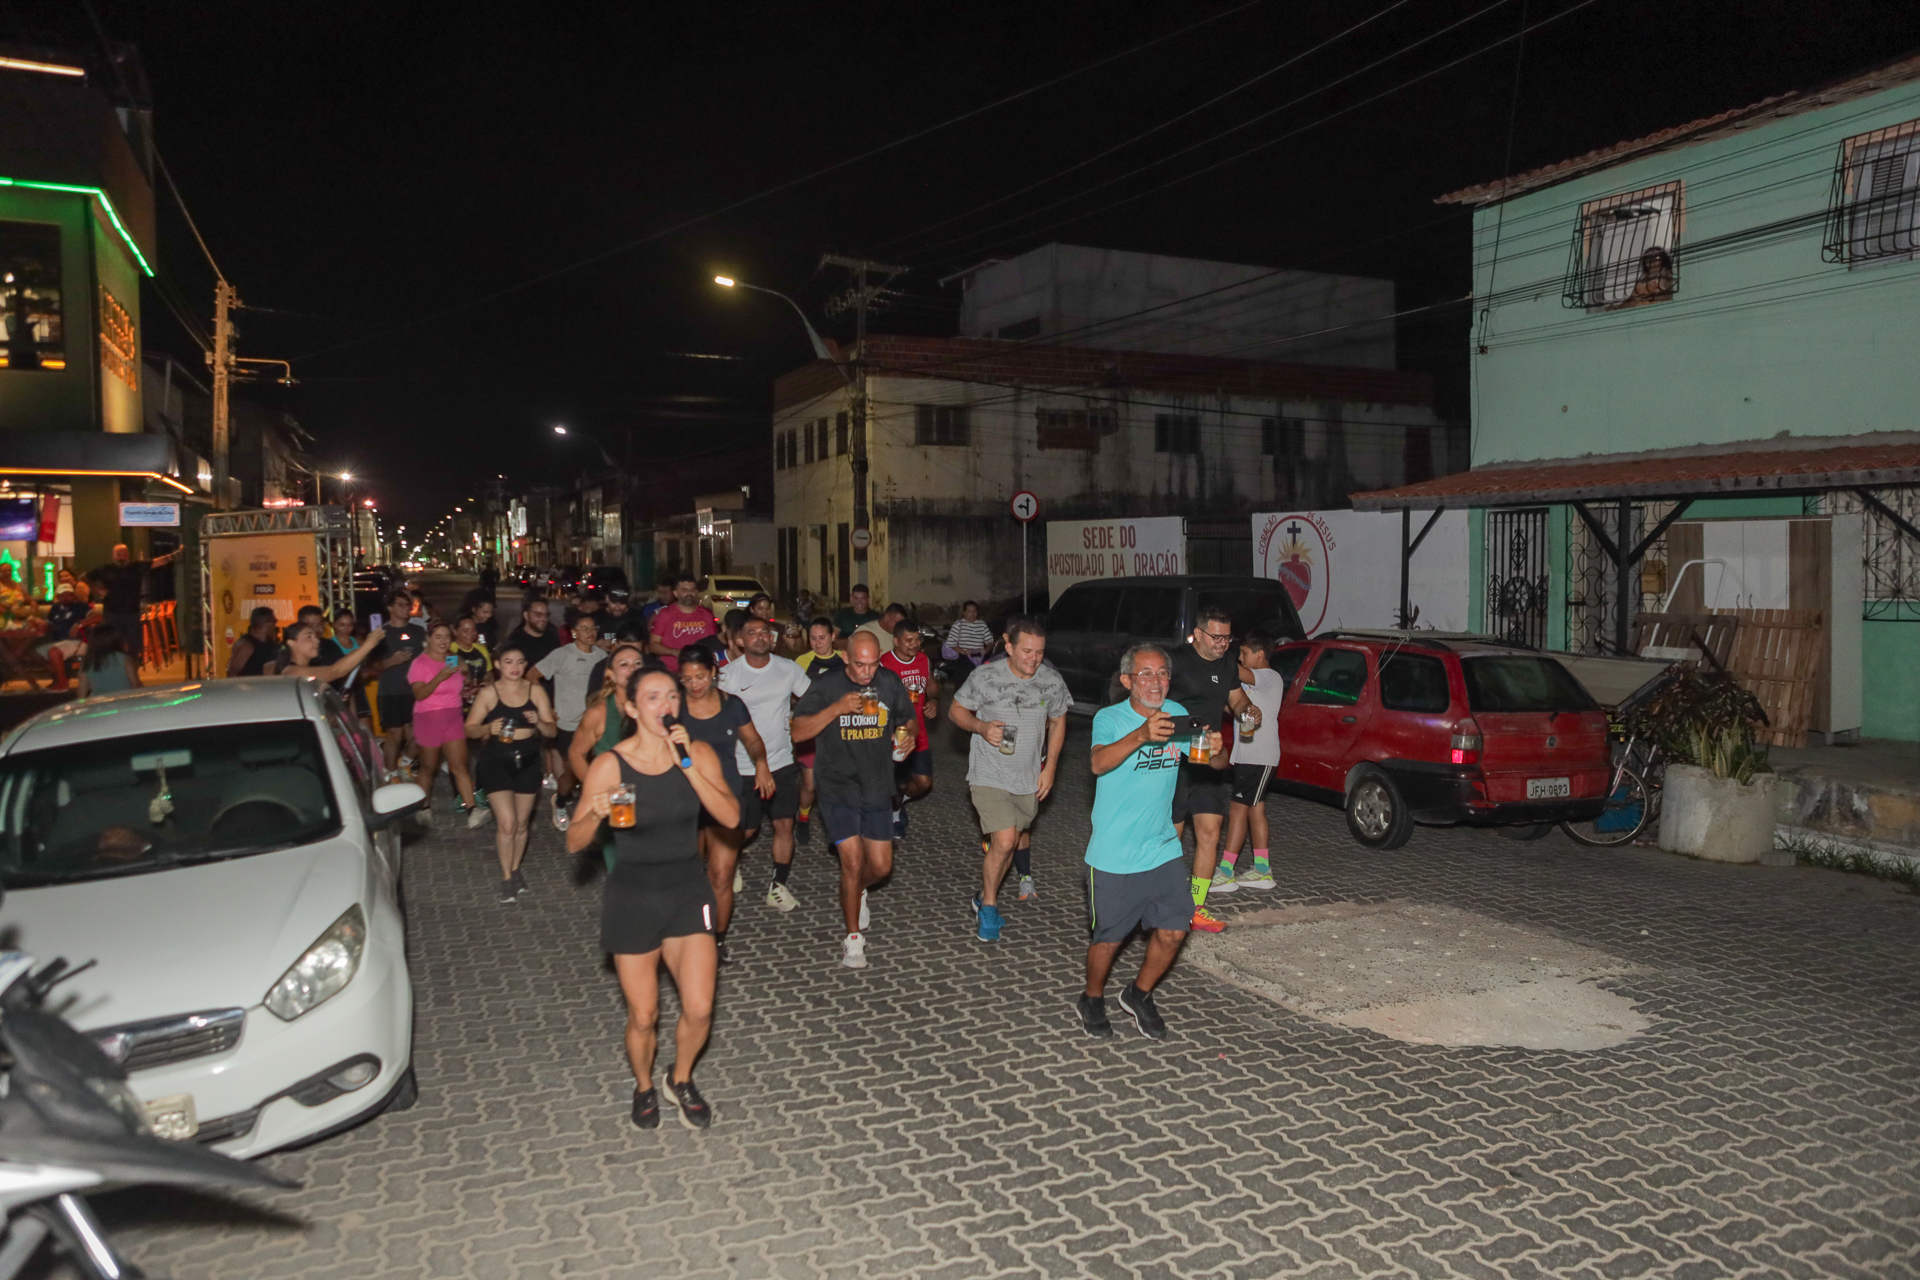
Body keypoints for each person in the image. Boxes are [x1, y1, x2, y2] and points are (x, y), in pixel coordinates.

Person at [565, 666, 738, 1131]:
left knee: (700, 1008)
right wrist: (594, 815)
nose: (666, 705)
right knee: (644, 1016)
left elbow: (730, 817)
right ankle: (643, 1085)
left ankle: (679, 1079)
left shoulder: (696, 752)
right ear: (631, 708)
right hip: (633, 895)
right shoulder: (610, 765)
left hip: (687, 891)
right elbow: (574, 842)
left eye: (672, 696)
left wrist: (686, 764)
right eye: (654, 697)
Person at [1080, 644, 1196, 1040]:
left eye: (1162, 673)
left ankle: (1139, 994)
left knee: (1175, 930)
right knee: (1109, 940)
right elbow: (1098, 762)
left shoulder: (1178, 714)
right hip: (1114, 853)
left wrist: (1215, 752)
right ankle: (1092, 998)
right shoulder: (1109, 719)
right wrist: (1142, 734)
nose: (1156, 682)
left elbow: (1210, 760)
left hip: (1162, 846)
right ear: (1128, 680)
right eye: (1146, 674)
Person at [789, 631, 914, 969]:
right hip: (837, 787)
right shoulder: (827, 685)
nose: (866, 672)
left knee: (881, 867)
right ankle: (853, 938)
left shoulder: (888, 682)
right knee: (852, 861)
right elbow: (798, 731)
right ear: (845, 657)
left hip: (876, 786)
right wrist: (836, 709)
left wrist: (909, 738)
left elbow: (907, 718)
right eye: (859, 664)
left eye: (873, 664)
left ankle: (855, 891)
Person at [949, 616, 1070, 942]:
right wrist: (981, 727)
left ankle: (981, 895)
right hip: (989, 773)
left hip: (1028, 776)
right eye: (1027, 651)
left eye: (1039, 652)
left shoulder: (1051, 680)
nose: (1034, 658)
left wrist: (1051, 768)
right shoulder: (986, 676)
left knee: (1010, 844)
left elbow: (1059, 721)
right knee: (1003, 842)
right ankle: (988, 908)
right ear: (1009, 647)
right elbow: (956, 711)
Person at [675, 646, 773, 965]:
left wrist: (761, 763)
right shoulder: (673, 707)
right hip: (685, 800)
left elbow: (754, 740)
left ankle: (716, 942)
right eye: (687, 679)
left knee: (721, 876)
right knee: (687, 875)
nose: (695, 684)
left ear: (714, 671)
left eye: (700, 676)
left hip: (726, 799)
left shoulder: (732, 706)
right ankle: (687, 936)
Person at [1168, 606, 1259, 934]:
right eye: (1216, 637)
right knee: (1171, 839)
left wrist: (1248, 711)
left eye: (1227, 637)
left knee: (1209, 833)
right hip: (1174, 761)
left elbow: (1236, 701)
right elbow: (1152, 706)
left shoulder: (1227, 665)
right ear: (1199, 633)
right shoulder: (1175, 661)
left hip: (1209, 760)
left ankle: (1196, 907)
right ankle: (1168, 901)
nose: (1223, 644)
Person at [719, 615, 811, 913]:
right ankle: (729, 864)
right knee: (745, 830)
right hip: (742, 766)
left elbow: (812, 699)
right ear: (739, 641)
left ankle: (778, 886)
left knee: (784, 823)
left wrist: (801, 721)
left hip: (782, 761)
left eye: (765, 632)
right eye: (752, 633)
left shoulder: (787, 669)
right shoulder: (728, 676)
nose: (760, 637)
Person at [468, 645, 559, 902]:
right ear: (498, 665)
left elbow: (552, 732)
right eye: (508, 662)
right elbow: (470, 729)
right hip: (496, 760)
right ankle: (507, 877)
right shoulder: (489, 693)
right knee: (506, 823)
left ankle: (516, 868)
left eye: (519, 662)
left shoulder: (535, 690)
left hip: (528, 759)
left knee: (521, 823)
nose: (515, 667)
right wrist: (488, 728)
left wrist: (539, 722)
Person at [1216, 631, 1285, 893]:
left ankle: (1225, 871)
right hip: (1251, 756)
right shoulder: (1252, 685)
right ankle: (1262, 869)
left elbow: (1235, 671)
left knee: (1238, 809)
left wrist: (1213, 653)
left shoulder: (1268, 677)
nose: (1241, 659)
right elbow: (1234, 705)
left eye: (1244, 654)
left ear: (1260, 654)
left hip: (1258, 756)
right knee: (1255, 809)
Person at [536, 612, 607, 831]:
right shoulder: (561, 655)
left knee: (597, 768)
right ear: (574, 632)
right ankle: (560, 801)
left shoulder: (602, 656)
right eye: (584, 629)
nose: (590, 633)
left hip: (596, 723)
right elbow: (531, 677)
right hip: (568, 724)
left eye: (593, 628)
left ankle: (595, 815)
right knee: (572, 771)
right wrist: (545, 708)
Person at [410, 620, 482, 826]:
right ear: (428, 639)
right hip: (428, 718)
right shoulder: (420, 664)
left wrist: (468, 691)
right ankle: (422, 807)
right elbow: (419, 694)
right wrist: (439, 677)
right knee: (428, 767)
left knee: (459, 765)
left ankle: (472, 810)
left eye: (446, 637)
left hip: (453, 717)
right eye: (438, 637)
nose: (443, 641)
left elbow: (457, 687)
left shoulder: (454, 660)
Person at [879, 617, 937, 839]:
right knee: (899, 781)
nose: (915, 644)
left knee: (923, 783)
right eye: (909, 640)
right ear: (896, 641)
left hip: (919, 732)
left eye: (917, 639)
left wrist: (934, 701)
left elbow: (931, 685)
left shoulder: (923, 660)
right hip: (895, 733)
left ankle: (899, 803)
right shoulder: (885, 664)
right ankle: (893, 815)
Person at [791, 618, 844, 849]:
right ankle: (803, 817)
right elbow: (793, 695)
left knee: (836, 783)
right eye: (813, 638)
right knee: (810, 785)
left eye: (822, 637)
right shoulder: (802, 661)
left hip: (839, 730)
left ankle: (838, 829)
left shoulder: (845, 658)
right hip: (812, 730)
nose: (817, 642)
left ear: (832, 637)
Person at [85, 542, 182, 667]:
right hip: (112, 612)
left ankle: (133, 669)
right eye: (118, 554)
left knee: (135, 644)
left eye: (124, 554)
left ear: (128, 555)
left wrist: (176, 554)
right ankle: (116, 668)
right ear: (113, 556)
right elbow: (86, 577)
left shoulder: (136, 566)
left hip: (132, 612)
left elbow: (158, 562)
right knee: (113, 642)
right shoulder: (105, 569)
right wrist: (98, 590)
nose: (121, 556)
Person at [278, 618, 395, 685]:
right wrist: (369, 644)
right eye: (309, 637)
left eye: (316, 637)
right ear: (291, 643)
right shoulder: (292, 672)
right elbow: (336, 671)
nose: (317, 641)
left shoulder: (310, 667)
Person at [647, 574, 716, 672]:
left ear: (696, 592)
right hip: (672, 672)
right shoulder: (665, 615)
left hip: (699, 672)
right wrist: (675, 652)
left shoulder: (706, 615)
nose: (689, 593)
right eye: (684, 590)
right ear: (676, 593)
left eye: (692, 590)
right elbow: (653, 645)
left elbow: (714, 644)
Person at [76, 622, 141, 698]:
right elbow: (135, 685)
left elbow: (82, 691)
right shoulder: (124, 659)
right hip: (123, 701)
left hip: (99, 703)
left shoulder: (88, 662)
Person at [451, 615, 492, 710]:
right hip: (458, 702)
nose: (471, 633)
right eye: (465, 630)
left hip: (480, 702)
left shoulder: (481, 649)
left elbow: (489, 673)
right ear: (455, 631)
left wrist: (486, 683)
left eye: (473, 630)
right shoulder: (451, 650)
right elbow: (450, 676)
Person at [227, 608, 282, 677]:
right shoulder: (247, 646)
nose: (275, 626)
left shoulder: (270, 643)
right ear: (266, 623)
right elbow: (232, 673)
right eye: (274, 622)